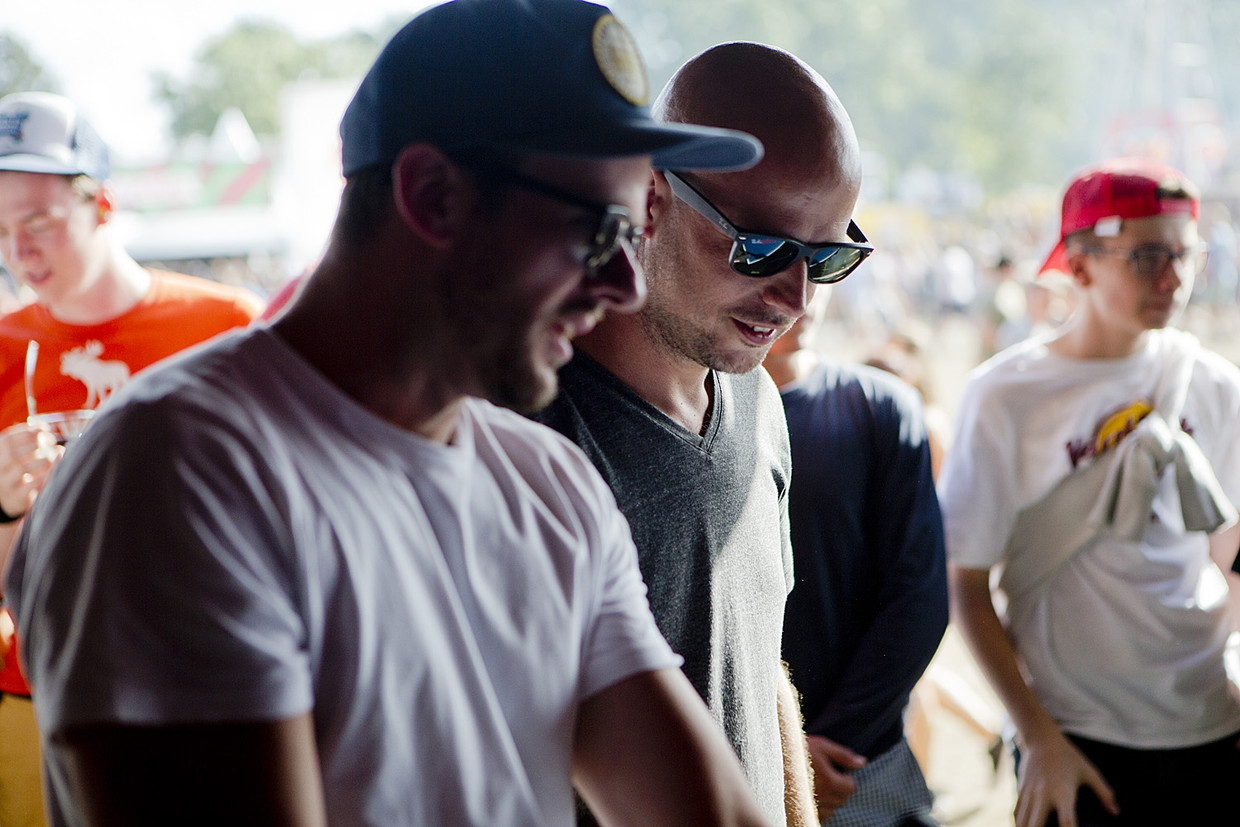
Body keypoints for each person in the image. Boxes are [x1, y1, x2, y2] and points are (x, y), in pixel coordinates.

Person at [4, 2, 777, 825]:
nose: (626, 284)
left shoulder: (549, 485)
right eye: (599, 233)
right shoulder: (180, 473)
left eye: (640, 230)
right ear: (434, 195)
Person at [532, 42, 871, 826]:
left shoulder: (759, 404)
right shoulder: (534, 434)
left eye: (827, 257)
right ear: (649, 194)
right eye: (760, 248)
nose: (791, 297)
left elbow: (758, 667)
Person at [938, 157, 1240, 827]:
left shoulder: (1214, 385)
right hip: (1075, 733)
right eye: (1147, 256)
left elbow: (1233, 552)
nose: (1174, 278)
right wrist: (1037, 736)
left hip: (1210, 720)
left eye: (1185, 255)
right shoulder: (1006, 396)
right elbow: (967, 583)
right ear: (1078, 266)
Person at [0, 90, 264, 827]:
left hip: (212, 688)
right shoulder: (2, 346)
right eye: (0, 229)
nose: (18, 251)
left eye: (39, 222)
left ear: (102, 205)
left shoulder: (229, 325)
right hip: (39, 691)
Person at [764, 295, 948, 827]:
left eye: (824, 262)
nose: (798, 288)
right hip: (733, 757)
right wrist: (769, 746)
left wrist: (831, 744)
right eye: (774, 251)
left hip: (855, 768)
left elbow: (921, 594)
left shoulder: (880, 406)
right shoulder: (686, 411)